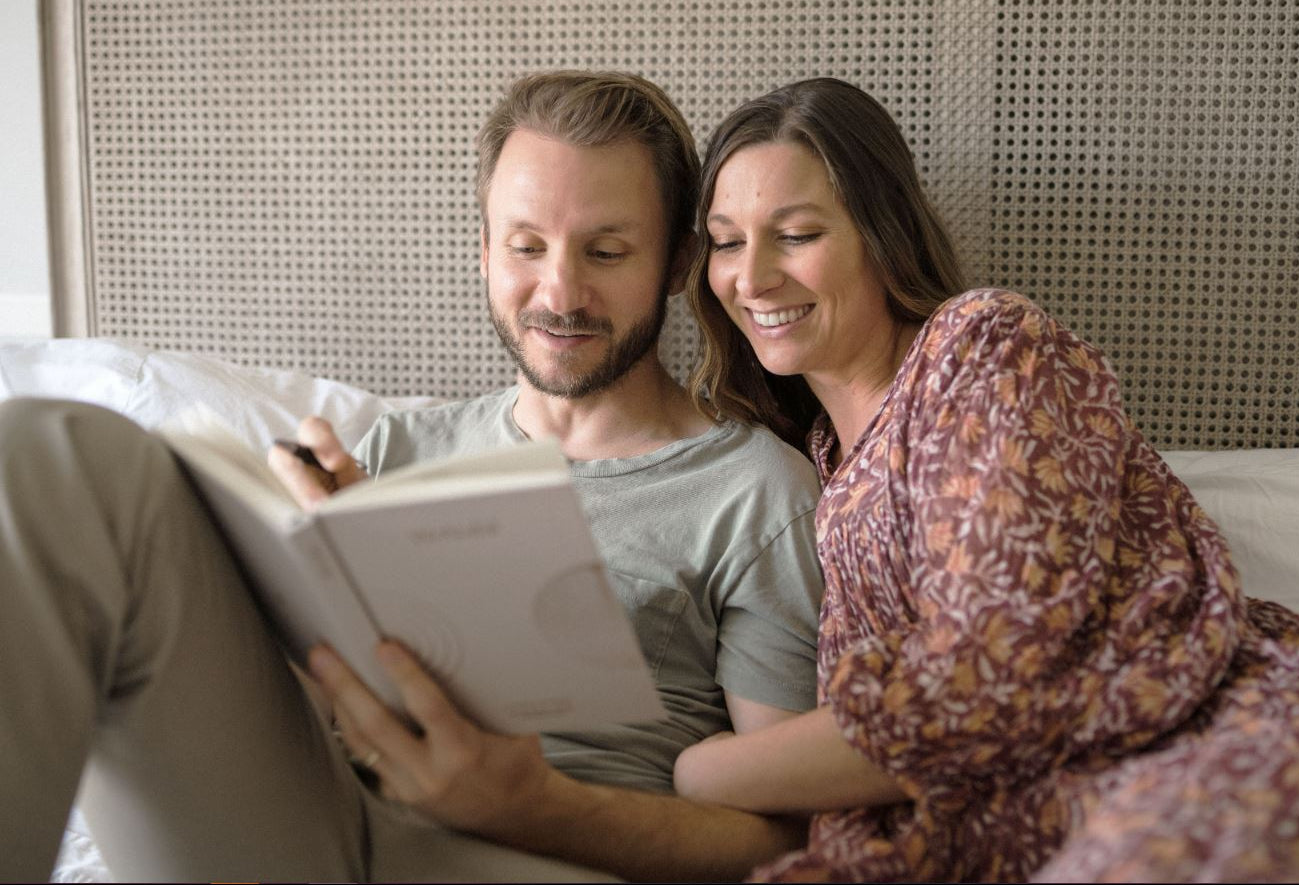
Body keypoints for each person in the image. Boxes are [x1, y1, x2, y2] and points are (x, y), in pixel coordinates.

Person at [0, 71, 823, 883]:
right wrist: (290, 569)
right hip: (318, 818)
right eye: (526, 247)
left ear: (677, 262)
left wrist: (530, 804)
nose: (560, 292)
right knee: (53, 451)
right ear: (484, 251)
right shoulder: (398, 449)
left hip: (551, 847)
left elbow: (782, 838)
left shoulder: (753, 492)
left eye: (606, 251)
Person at [672, 77, 1299, 882]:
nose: (750, 277)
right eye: (725, 241)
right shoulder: (808, 461)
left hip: (1204, 741)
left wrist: (705, 770)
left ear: (880, 233)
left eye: (793, 234)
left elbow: (986, 679)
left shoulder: (984, 349)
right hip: (1011, 814)